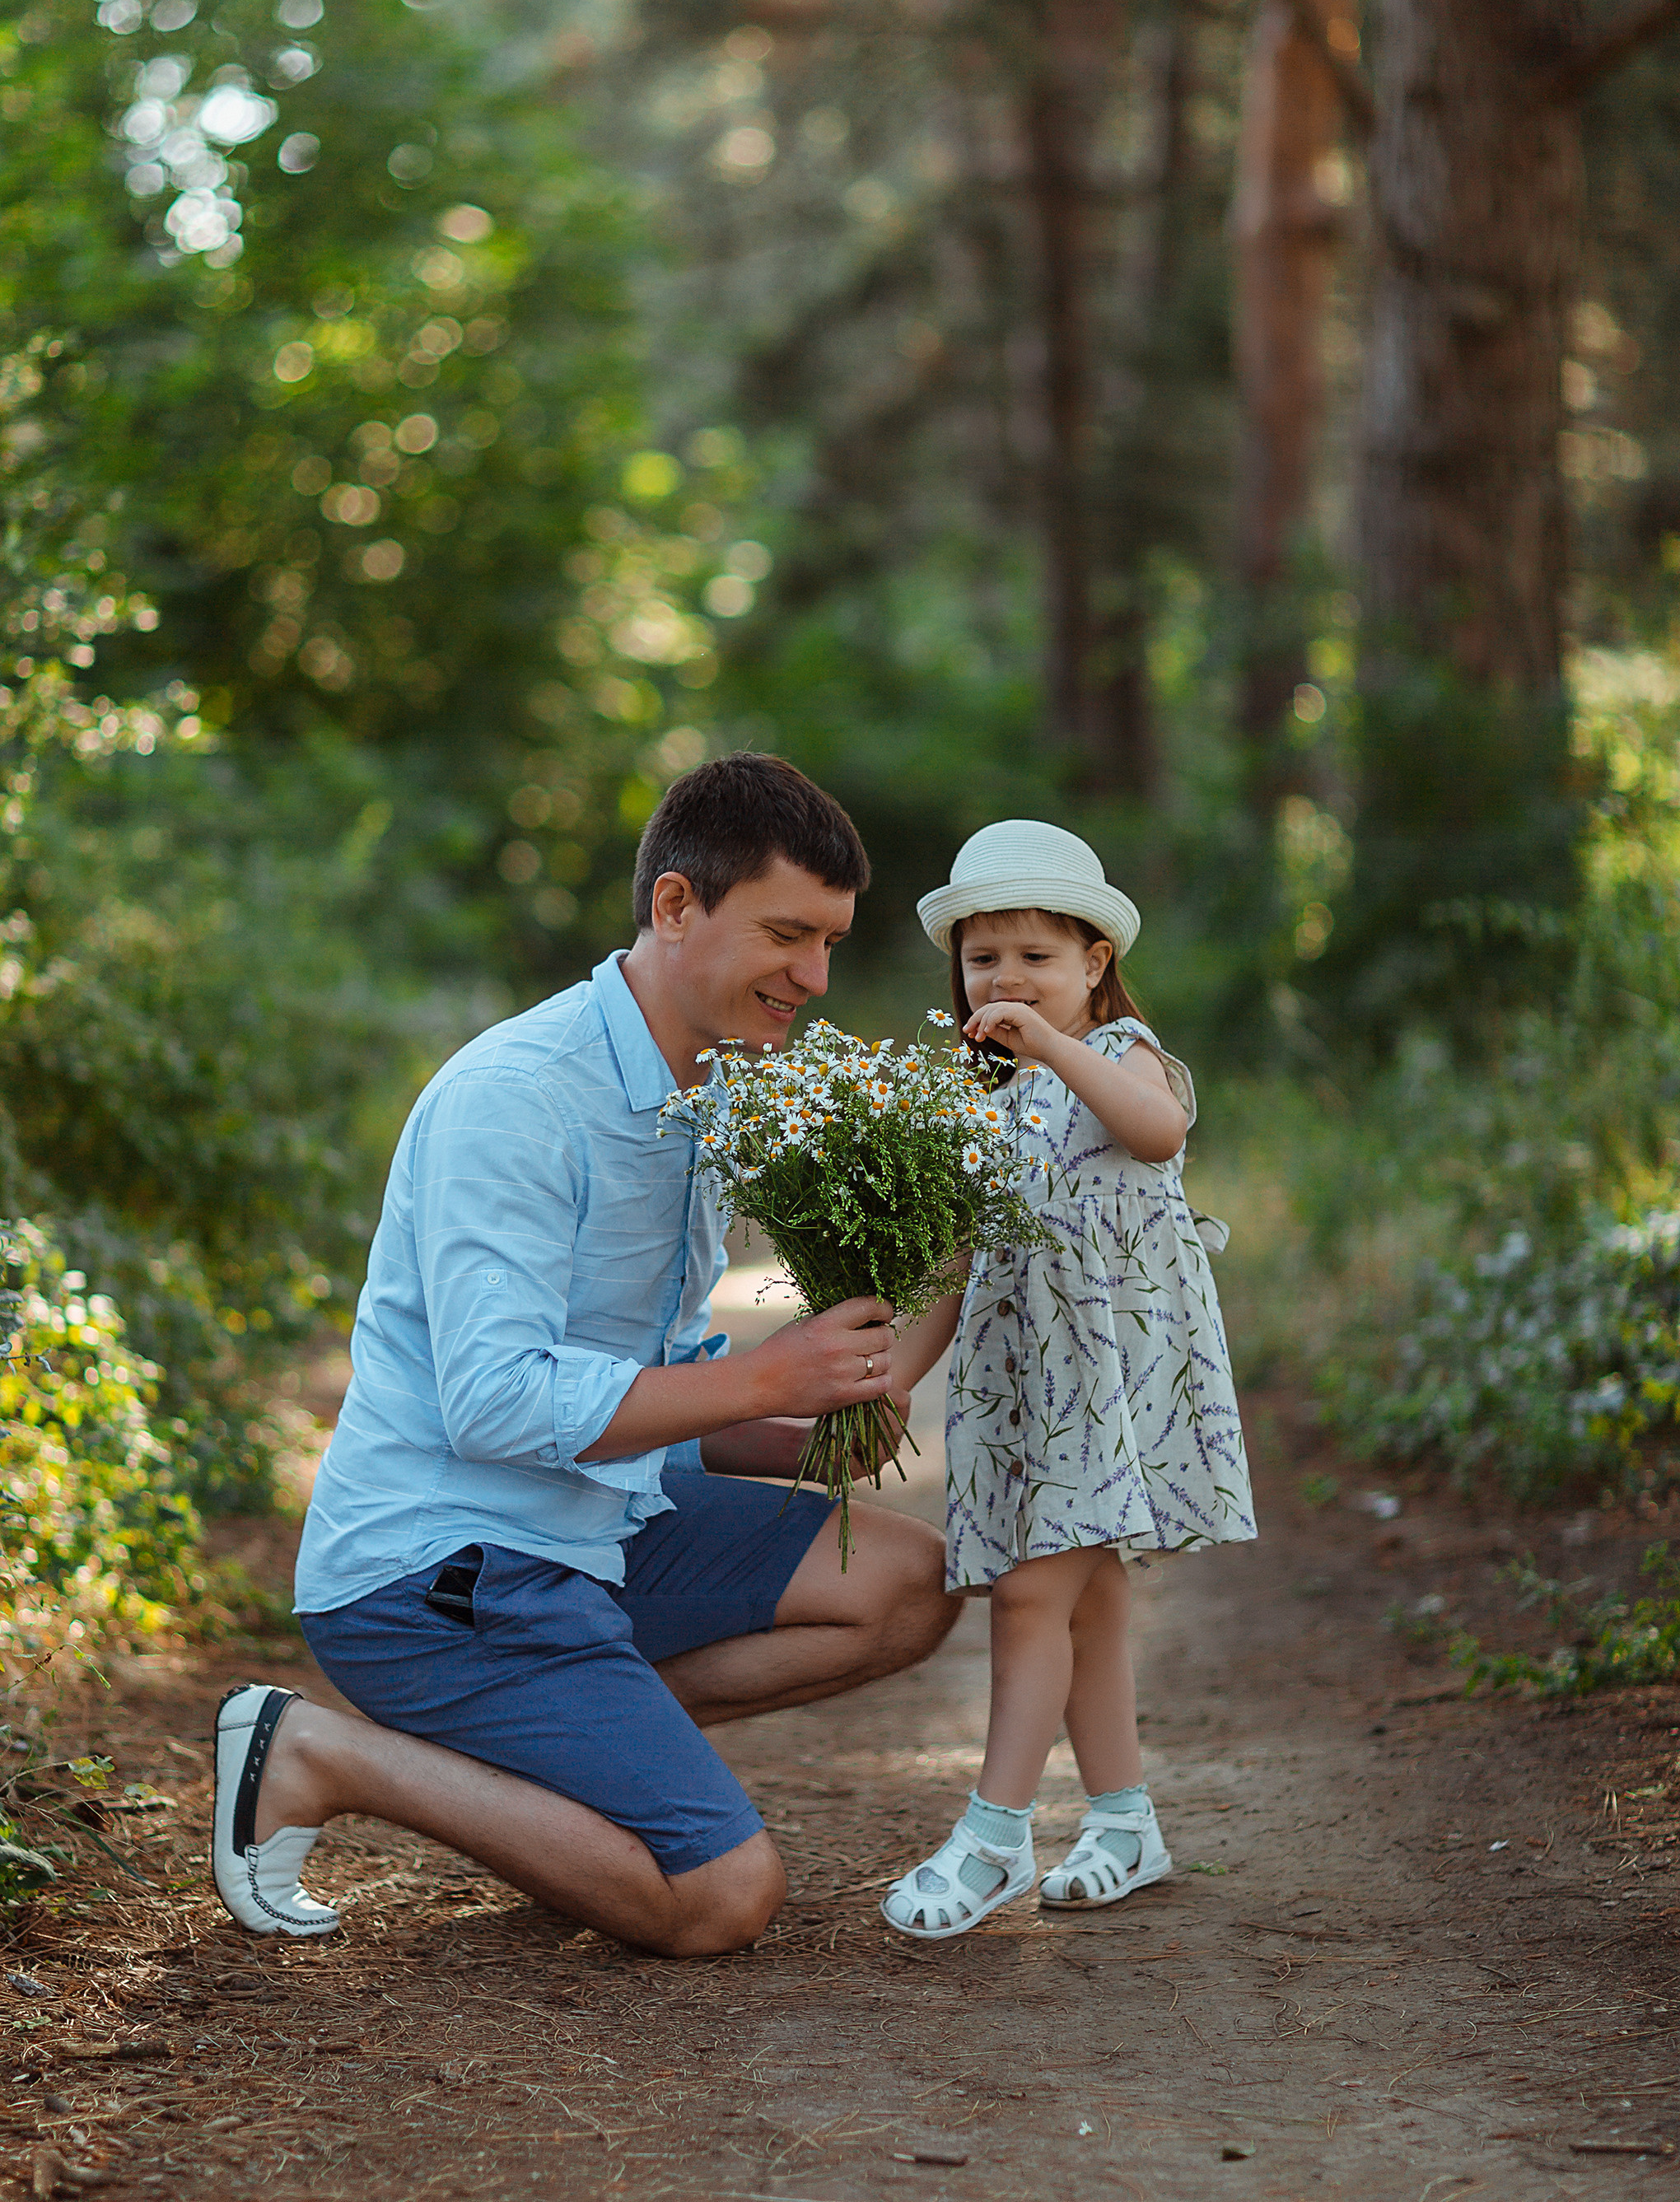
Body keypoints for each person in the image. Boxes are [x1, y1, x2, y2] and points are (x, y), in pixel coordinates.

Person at [211, 754, 958, 1959]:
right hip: (439, 1573)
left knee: (909, 1581)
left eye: (829, 942)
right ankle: (323, 1753)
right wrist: (771, 1375)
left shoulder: (702, 1088)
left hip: (597, 1527)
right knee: (720, 1900)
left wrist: (803, 1426)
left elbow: (650, 1388)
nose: (814, 978)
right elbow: (498, 1405)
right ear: (675, 906)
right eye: (786, 935)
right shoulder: (518, 1099)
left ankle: (572, 1775)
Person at [880, 819, 1255, 1938]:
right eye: (984, 958)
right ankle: (1126, 1820)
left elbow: (1157, 1130)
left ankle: (994, 1836)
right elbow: (958, 1256)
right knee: (1086, 1602)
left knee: (1036, 1591)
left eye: (1036, 957)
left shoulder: (1124, 1051)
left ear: (1095, 963)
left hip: (1114, 1375)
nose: (1006, 979)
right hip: (1026, 1384)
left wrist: (1052, 1044)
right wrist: (896, 1375)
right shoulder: (983, 1099)